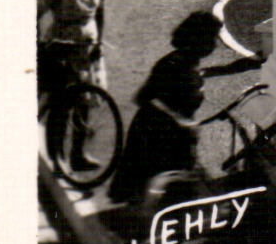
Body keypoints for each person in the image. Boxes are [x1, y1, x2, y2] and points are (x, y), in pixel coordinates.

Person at [109, 11, 261, 204]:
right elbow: (143, 98)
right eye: (211, 38)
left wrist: (245, 64)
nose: (214, 44)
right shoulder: (172, 65)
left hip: (173, 139)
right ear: (198, 39)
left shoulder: (187, 63)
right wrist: (180, 121)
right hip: (156, 138)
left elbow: (203, 74)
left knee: (175, 195)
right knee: (165, 195)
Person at [38, 0, 109, 171]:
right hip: (62, 48)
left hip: (88, 49)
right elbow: (36, 13)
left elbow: (99, 14)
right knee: (61, 104)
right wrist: (39, 44)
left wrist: (98, 43)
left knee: (85, 101)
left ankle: (78, 154)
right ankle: (56, 157)